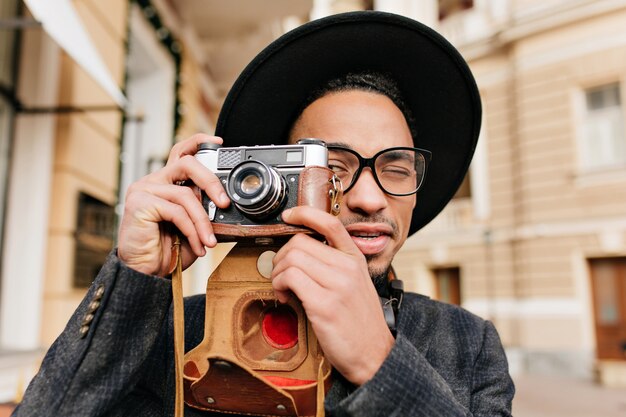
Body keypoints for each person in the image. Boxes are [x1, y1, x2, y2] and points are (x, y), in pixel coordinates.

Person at [13, 11, 514, 417]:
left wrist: (380, 363)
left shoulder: (468, 347)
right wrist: (135, 279)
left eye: (395, 168)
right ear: (281, 181)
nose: (368, 198)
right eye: (334, 168)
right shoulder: (174, 333)